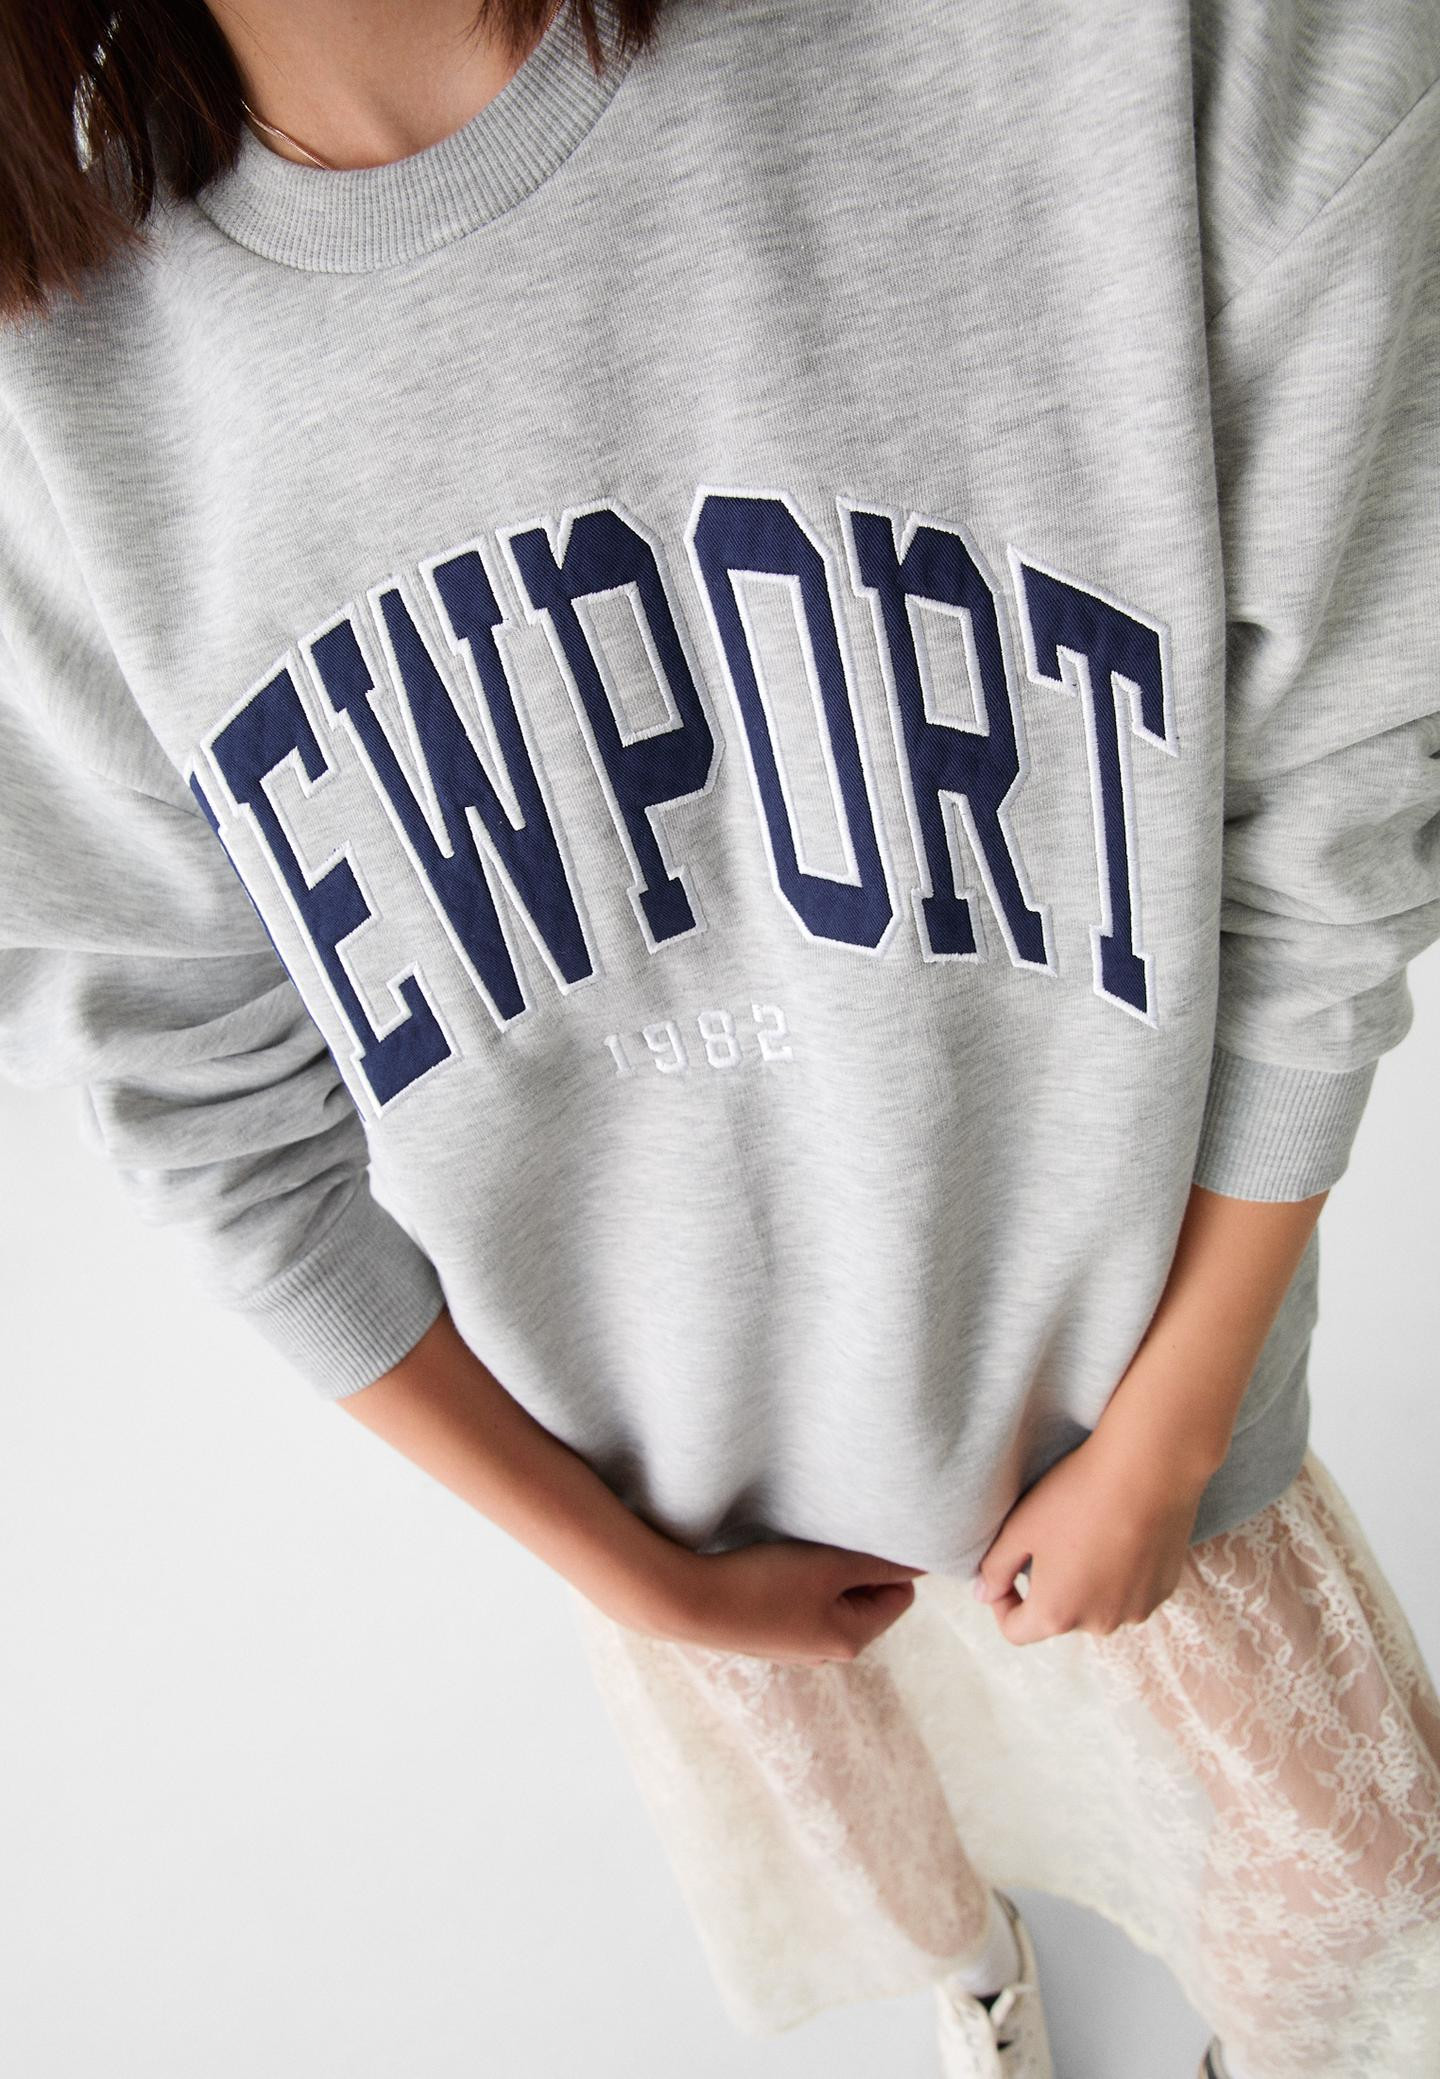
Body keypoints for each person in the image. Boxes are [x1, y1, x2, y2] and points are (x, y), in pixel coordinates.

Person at [1, 1, 1438, 2073]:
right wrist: (625, 1568)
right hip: (675, 1489)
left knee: (1357, 1886)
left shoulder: (1119, 44)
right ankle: (975, 1981)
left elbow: (1343, 787)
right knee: (893, 1857)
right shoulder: (58, 396)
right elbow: (197, 1097)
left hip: (1132, 1400)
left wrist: (1180, 1423)